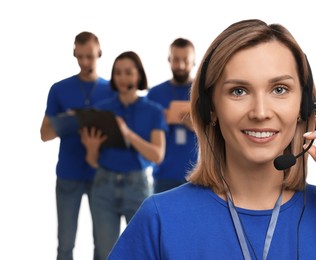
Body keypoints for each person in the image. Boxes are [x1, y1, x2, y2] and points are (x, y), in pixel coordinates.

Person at [107, 19, 316, 259]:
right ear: (211, 108)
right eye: (239, 91)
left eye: (279, 89)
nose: (261, 112)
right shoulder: (159, 219)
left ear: (305, 107)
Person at [80, 51, 168, 260]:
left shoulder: (153, 111)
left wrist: (127, 133)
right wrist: (91, 148)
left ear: (139, 75)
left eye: (128, 72)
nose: (122, 78)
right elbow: (92, 161)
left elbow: (157, 155)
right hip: (104, 186)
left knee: (144, 253)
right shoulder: (102, 111)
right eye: (118, 73)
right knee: (105, 253)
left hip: (137, 187)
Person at [40, 31, 113, 260]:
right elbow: (44, 134)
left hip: (102, 175)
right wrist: (70, 120)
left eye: (89, 57)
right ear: (74, 53)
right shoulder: (58, 89)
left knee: (104, 246)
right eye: (80, 57)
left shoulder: (112, 90)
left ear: (99, 54)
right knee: (65, 244)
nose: (85, 63)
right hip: (68, 174)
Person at [147, 37, 198, 193]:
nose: (181, 65)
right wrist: (160, 118)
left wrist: (197, 125)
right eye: (176, 60)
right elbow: (142, 130)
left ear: (194, 62)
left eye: (185, 60)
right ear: (169, 60)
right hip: (163, 174)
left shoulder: (203, 92)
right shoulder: (154, 94)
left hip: (197, 174)